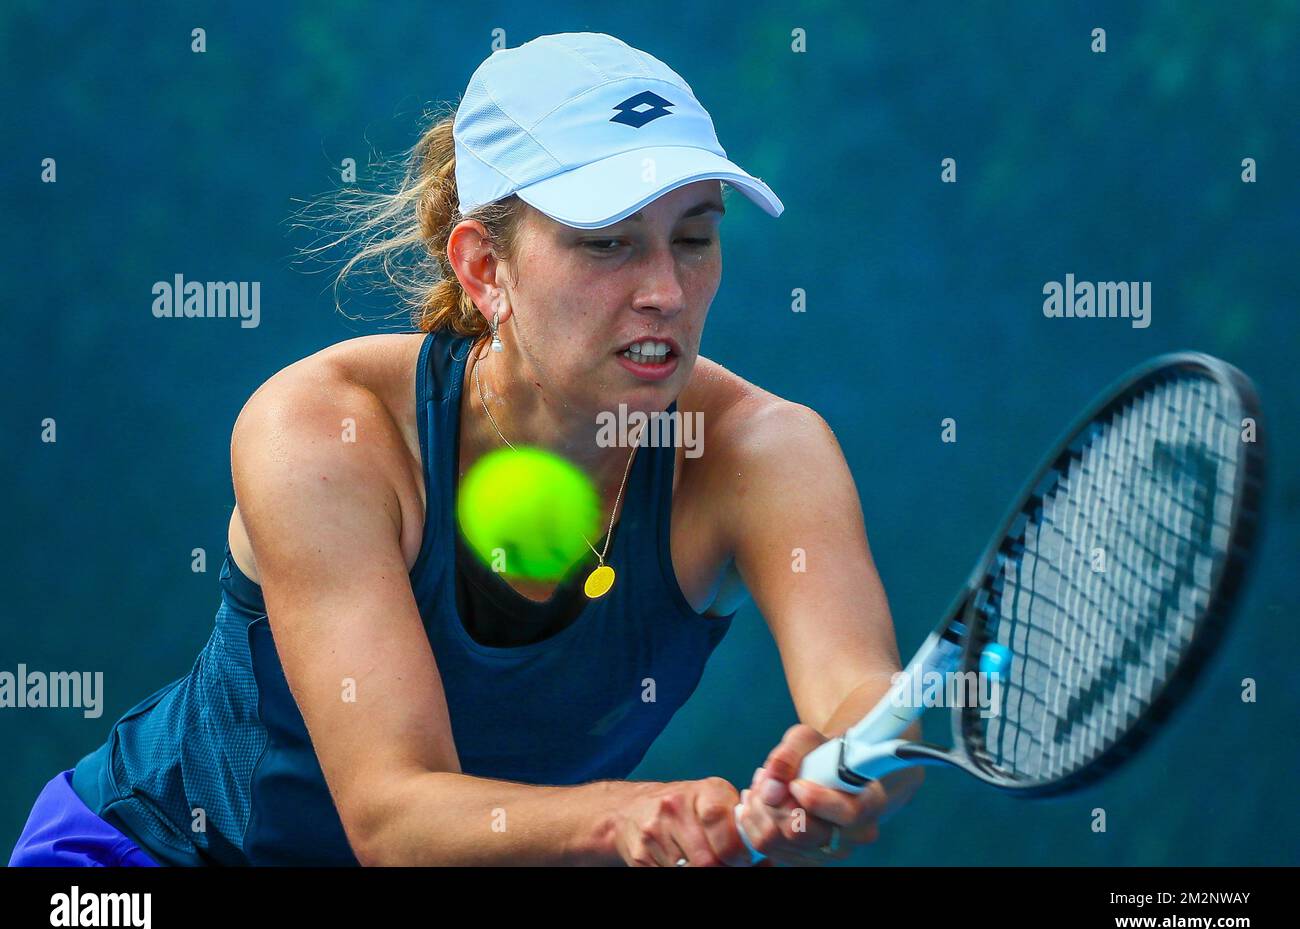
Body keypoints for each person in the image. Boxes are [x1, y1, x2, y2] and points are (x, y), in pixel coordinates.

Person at [10, 32, 919, 867]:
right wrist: (627, 817)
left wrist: (843, 771)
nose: (666, 291)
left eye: (694, 238)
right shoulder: (326, 428)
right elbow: (393, 816)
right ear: (485, 267)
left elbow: (863, 699)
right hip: (139, 863)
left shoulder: (766, 451)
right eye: (607, 245)